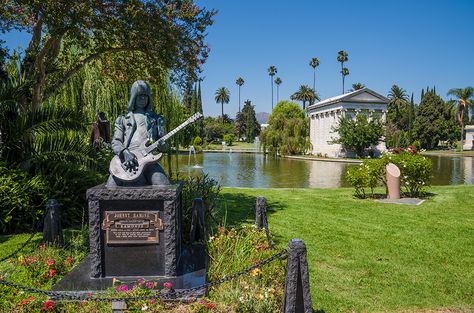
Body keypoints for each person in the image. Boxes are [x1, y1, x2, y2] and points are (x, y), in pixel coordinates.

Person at [106, 80, 169, 187]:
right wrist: (125, 153)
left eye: (145, 96)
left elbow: (164, 146)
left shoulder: (157, 119)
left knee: (163, 184)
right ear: (133, 97)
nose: (143, 99)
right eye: (140, 96)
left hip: (150, 161)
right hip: (126, 161)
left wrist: (163, 146)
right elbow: (116, 142)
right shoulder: (122, 119)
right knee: (111, 186)